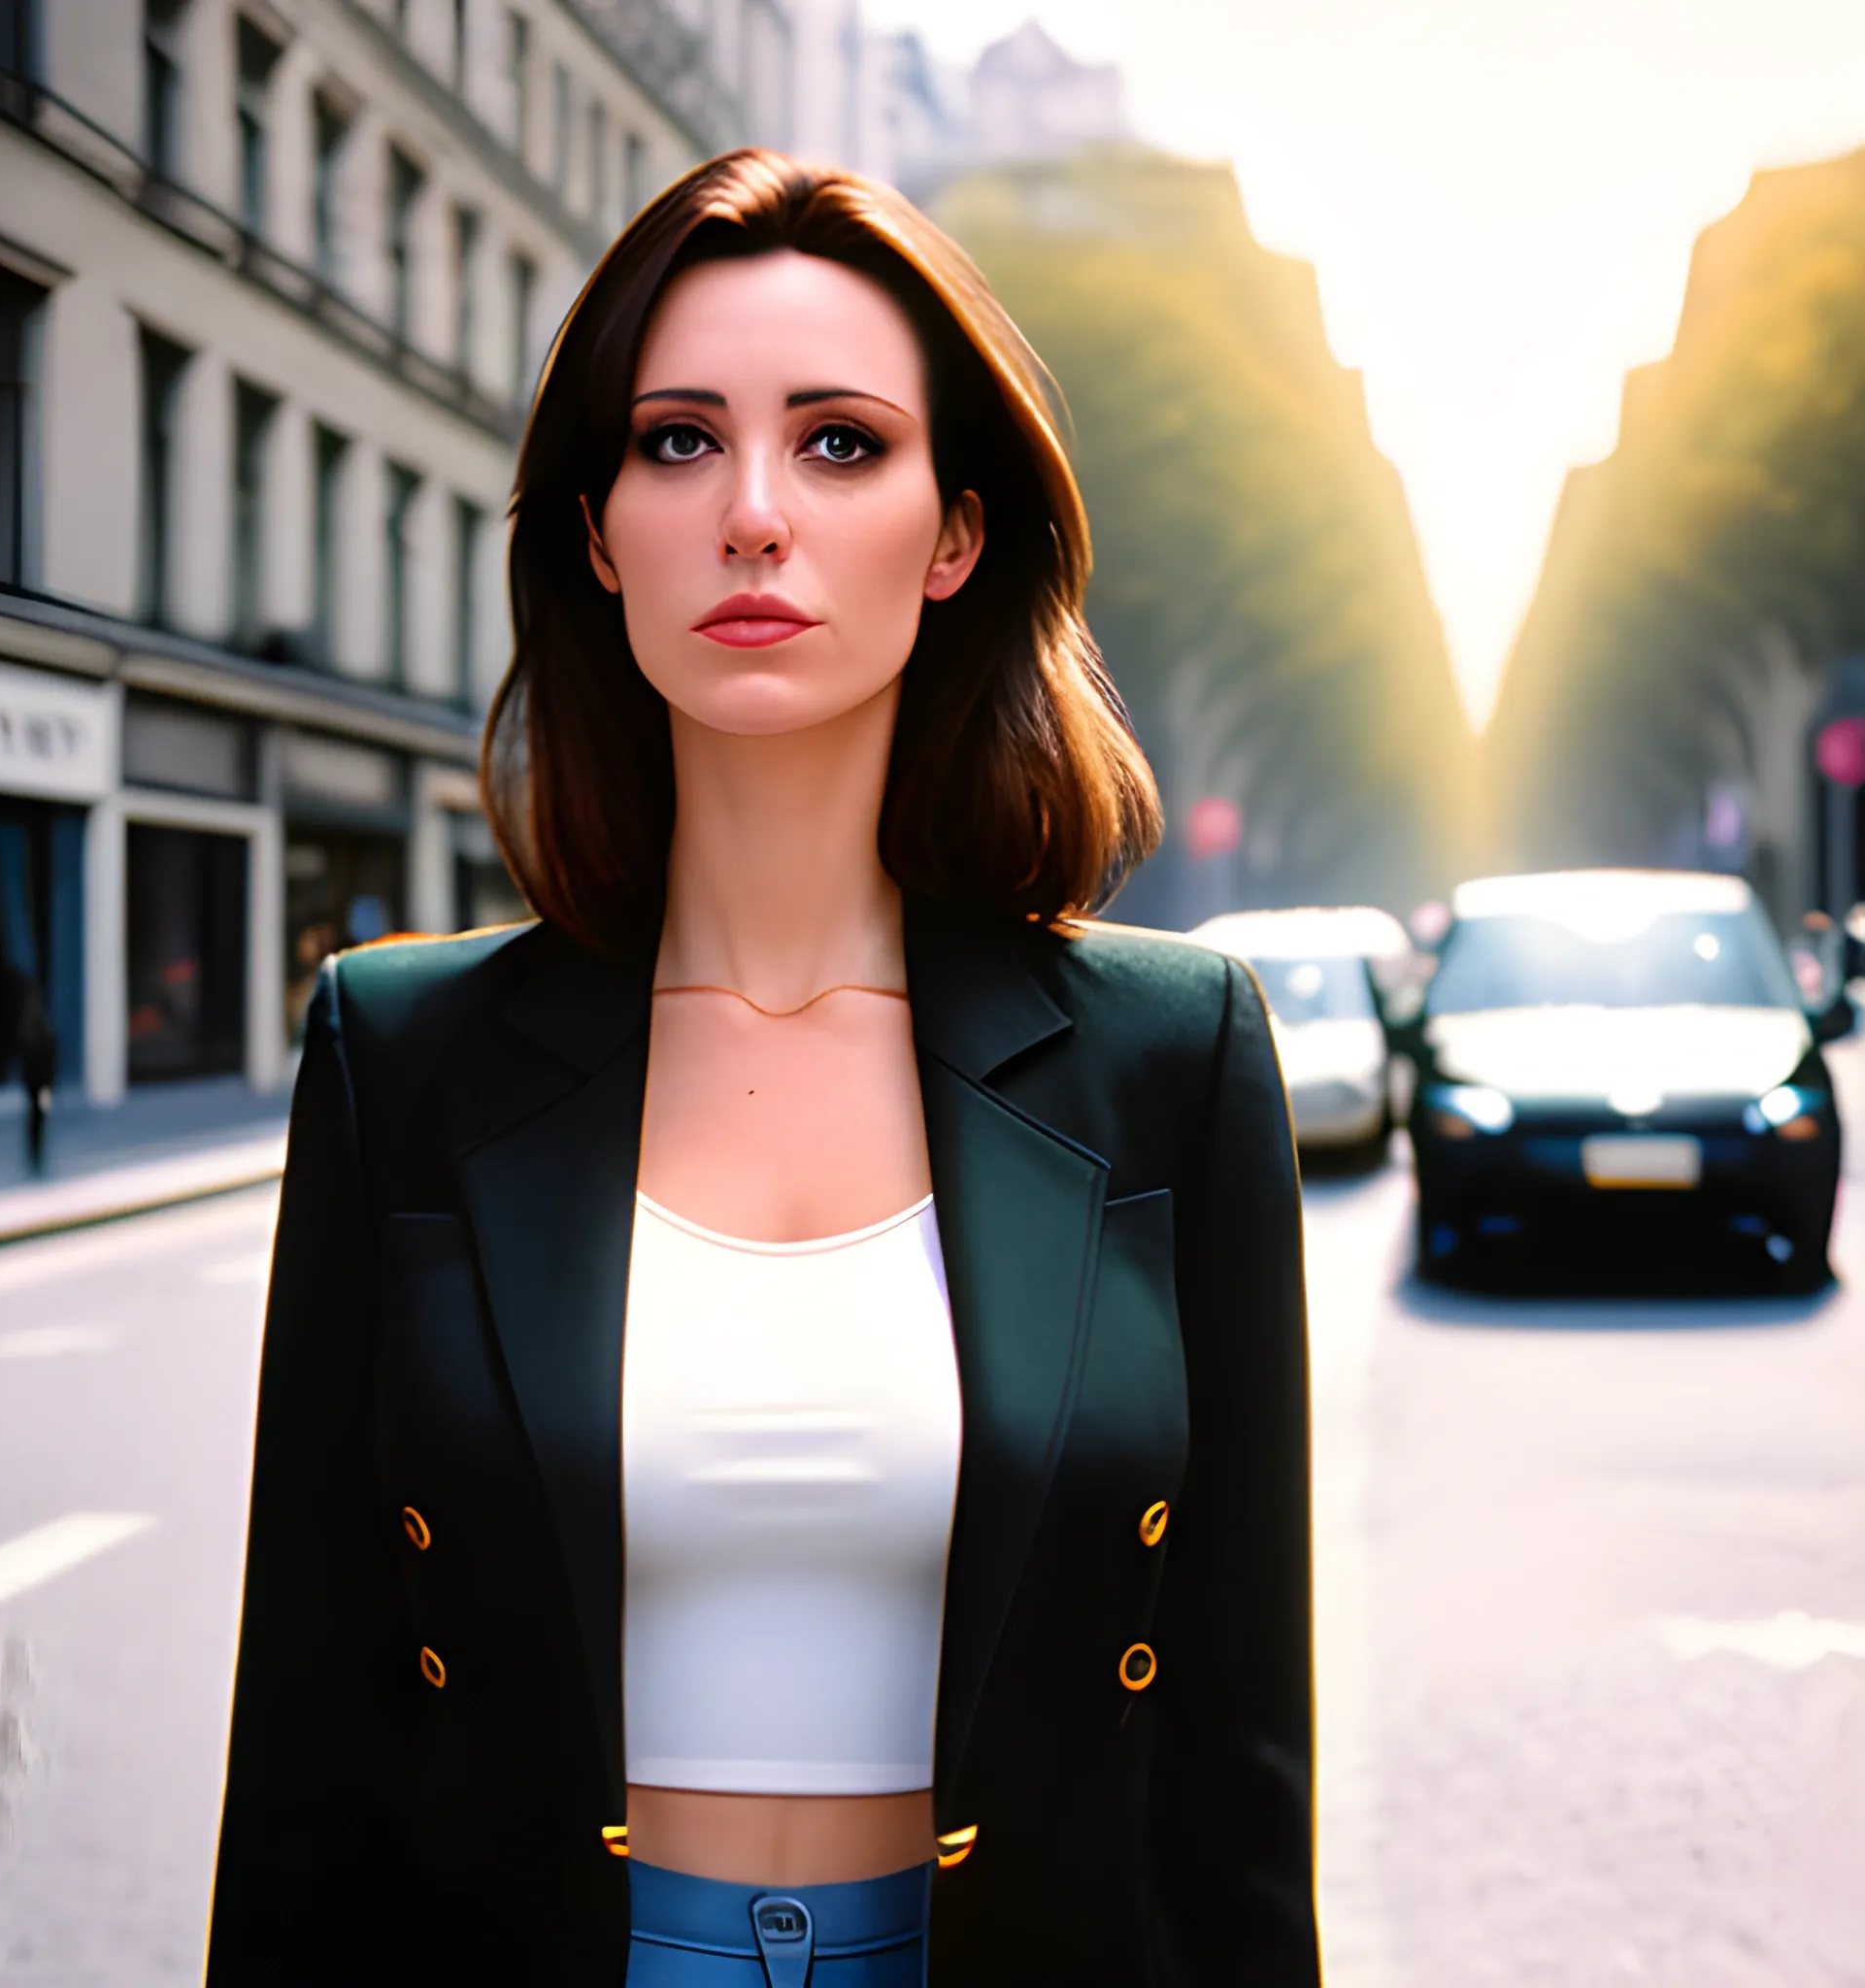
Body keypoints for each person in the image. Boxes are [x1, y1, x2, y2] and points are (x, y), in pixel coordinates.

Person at [207, 150, 1317, 1987]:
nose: (748, 514)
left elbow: (1231, 1774)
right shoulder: (396, 1057)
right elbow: (312, 1758)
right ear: (593, 529)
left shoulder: (1169, 1061)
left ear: (956, 536)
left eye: (837, 442)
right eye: (672, 442)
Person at [14, 973, 56, 1173]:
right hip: (40, 1082)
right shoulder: (39, 1027)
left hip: (34, 1082)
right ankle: (35, 1155)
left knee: (35, 1117)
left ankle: (34, 1154)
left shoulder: (28, 1026)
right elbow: (47, 1055)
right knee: (39, 1117)